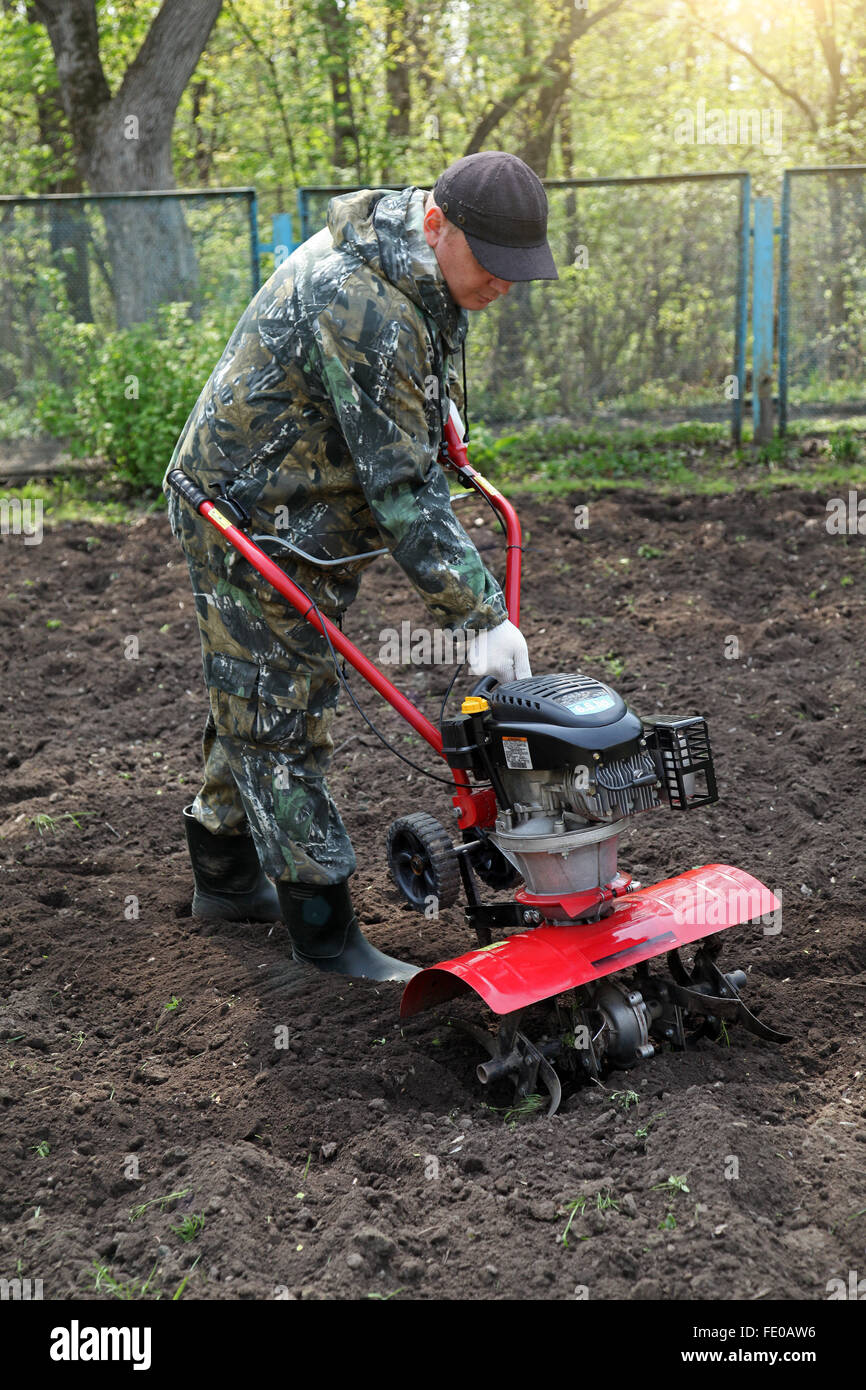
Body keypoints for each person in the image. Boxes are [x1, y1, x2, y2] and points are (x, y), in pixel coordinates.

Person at [164, 150, 558, 983]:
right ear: (437, 225)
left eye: (517, 271)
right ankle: (324, 933)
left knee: (264, 684)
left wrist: (431, 398)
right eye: (492, 265)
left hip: (309, 511)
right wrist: (479, 616)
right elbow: (402, 486)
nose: (503, 287)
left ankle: (226, 881)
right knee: (280, 710)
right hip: (248, 512)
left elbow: (404, 396)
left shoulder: (418, 264)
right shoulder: (364, 298)